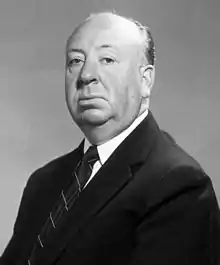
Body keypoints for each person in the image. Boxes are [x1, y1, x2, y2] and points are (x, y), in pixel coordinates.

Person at [1, 12, 220, 265]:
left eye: (107, 59)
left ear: (145, 79)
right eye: (75, 61)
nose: (85, 76)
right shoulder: (43, 182)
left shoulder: (179, 186)